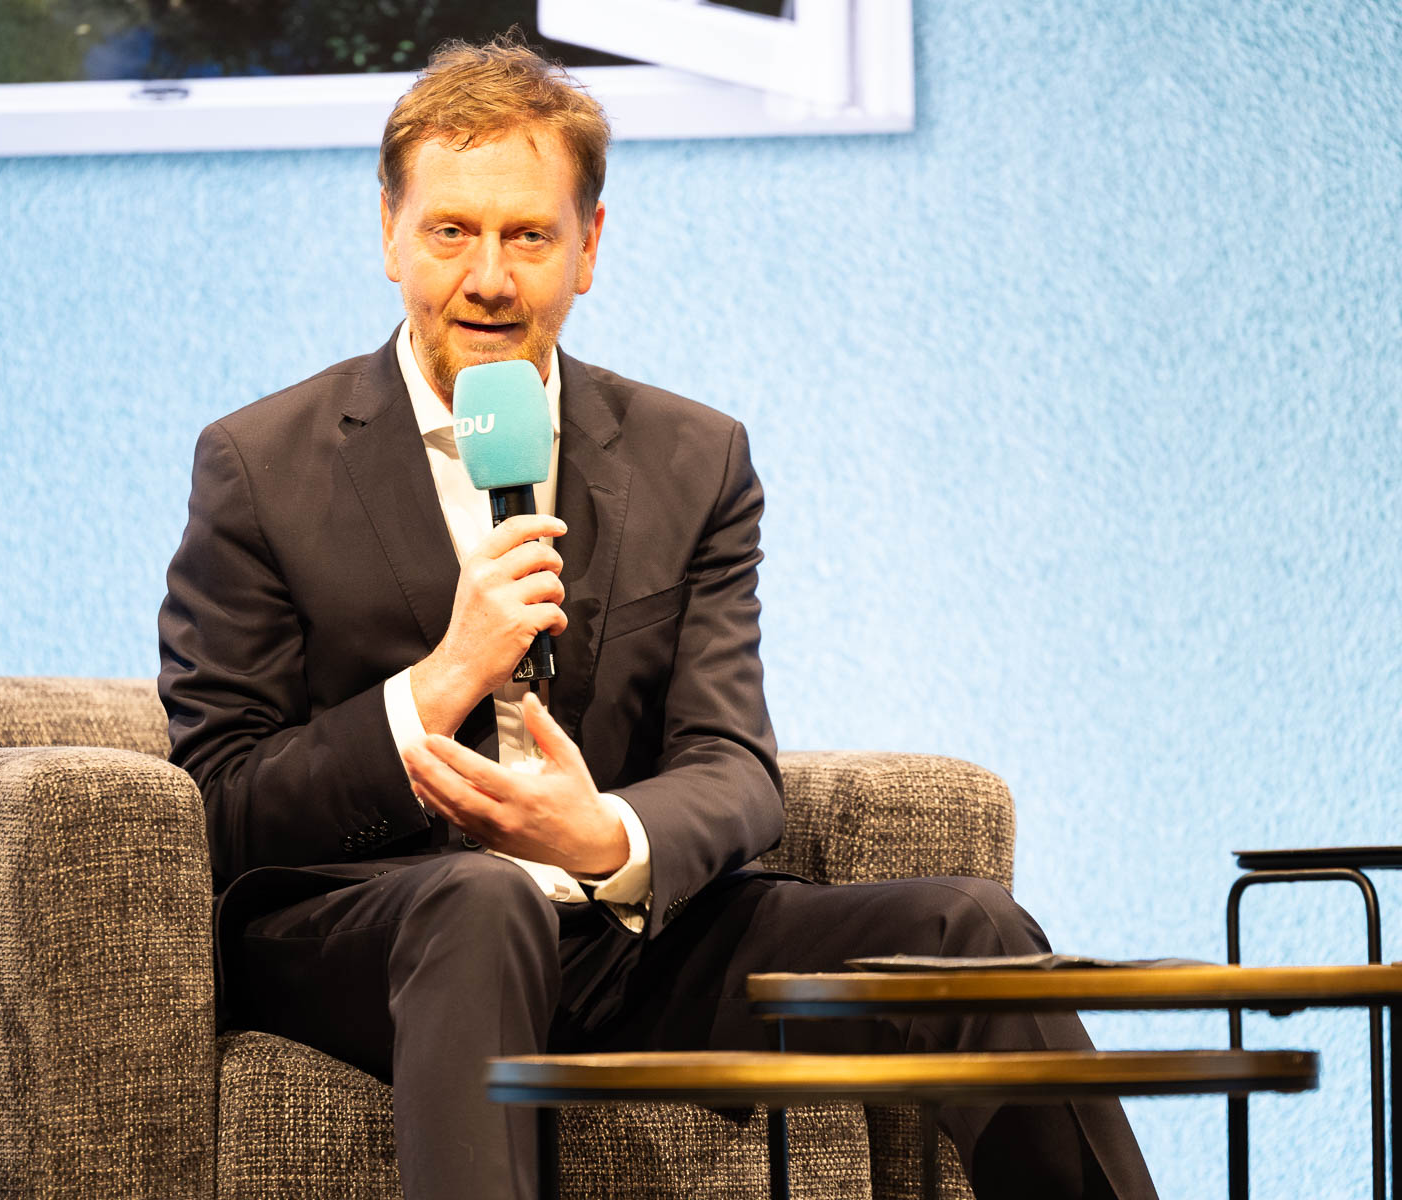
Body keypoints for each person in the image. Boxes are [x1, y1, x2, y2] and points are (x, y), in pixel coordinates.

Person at [157, 33, 1157, 1200]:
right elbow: (221, 801)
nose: (490, 278)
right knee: (480, 901)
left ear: (589, 247)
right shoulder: (261, 466)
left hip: (617, 932)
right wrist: (440, 681)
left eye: (530, 236)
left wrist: (604, 838)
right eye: (452, 232)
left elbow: (732, 765)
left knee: (968, 936)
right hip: (371, 936)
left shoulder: (694, 459)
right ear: (390, 233)